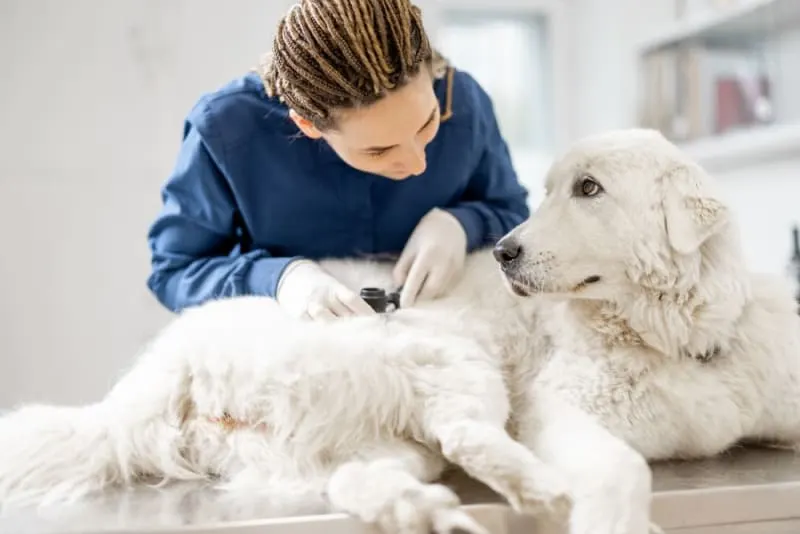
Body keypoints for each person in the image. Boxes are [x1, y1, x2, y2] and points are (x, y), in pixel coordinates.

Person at [146, 0, 530, 321]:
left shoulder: (463, 100)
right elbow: (175, 270)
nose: (417, 165)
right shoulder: (226, 130)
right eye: (378, 150)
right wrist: (279, 278)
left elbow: (512, 211)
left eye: (428, 123)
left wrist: (461, 224)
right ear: (307, 124)